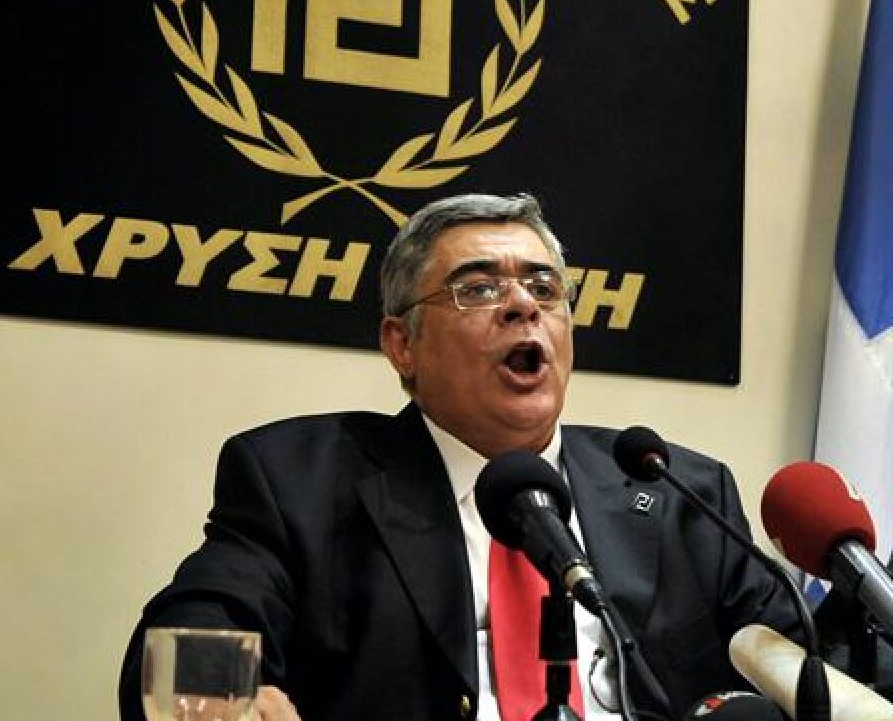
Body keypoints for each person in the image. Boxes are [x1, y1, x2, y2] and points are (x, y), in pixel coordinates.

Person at [118, 193, 798, 721]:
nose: (523, 306)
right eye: (478, 289)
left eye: (544, 288)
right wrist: (225, 699)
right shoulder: (303, 479)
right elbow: (196, 622)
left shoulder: (674, 487)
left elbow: (811, 663)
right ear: (402, 344)